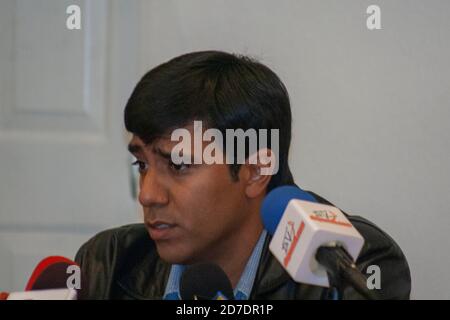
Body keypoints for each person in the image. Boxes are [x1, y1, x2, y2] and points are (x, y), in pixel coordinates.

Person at [75, 51, 411, 299]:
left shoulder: (345, 262)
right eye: (142, 165)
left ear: (255, 171)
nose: (148, 195)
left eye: (178, 165)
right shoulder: (110, 262)